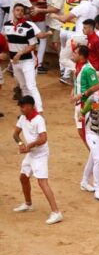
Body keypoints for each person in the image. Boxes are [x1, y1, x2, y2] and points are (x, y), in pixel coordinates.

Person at [11, 96, 62, 225]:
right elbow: (15, 134)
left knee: (42, 182)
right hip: (31, 153)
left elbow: (43, 139)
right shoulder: (23, 118)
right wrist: (21, 143)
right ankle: (28, 204)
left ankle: (56, 213)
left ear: (30, 106)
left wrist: (29, 146)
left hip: (40, 155)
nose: (21, 109)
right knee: (23, 177)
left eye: (23, 107)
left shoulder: (39, 120)